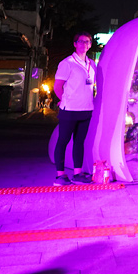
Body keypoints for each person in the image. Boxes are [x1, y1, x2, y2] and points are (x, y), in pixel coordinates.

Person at [53, 33, 97, 186]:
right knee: (63, 141)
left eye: (87, 41)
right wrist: (63, 99)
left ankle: (77, 174)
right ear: (75, 44)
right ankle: (60, 176)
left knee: (79, 142)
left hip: (86, 109)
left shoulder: (92, 64)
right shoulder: (67, 63)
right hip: (70, 110)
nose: (84, 44)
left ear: (90, 45)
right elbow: (58, 86)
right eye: (80, 41)